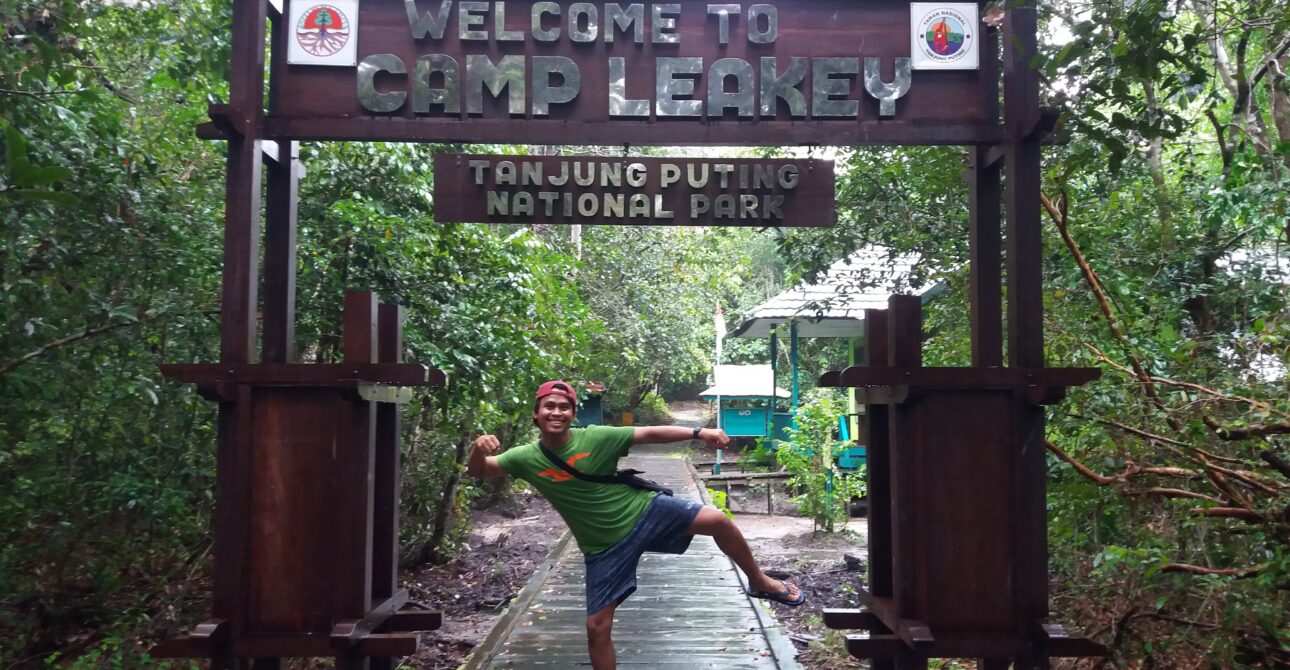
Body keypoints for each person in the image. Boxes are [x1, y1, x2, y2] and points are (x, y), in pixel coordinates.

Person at [468, 380, 804, 670]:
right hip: (602, 547)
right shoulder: (525, 457)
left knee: (716, 519)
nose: (556, 412)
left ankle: (759, 581)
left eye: (564, 407)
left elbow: (649, 433)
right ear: (536, 414)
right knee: (596, 627)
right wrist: (477, 449)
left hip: (643, 511)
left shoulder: (595, 437)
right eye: (549, 406)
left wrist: (700, 432)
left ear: (573, 414)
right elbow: (479, 470)